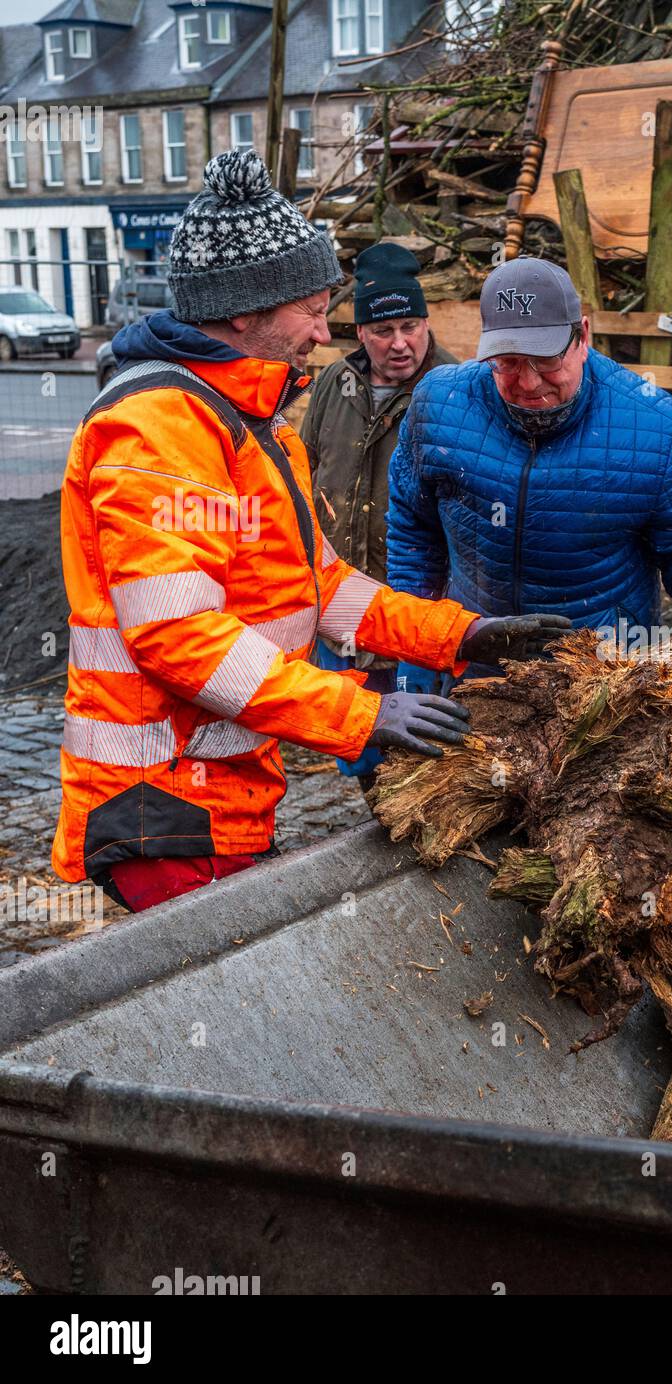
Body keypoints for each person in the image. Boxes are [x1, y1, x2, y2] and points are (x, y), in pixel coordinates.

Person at [52, 151, 566, 912]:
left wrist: (459, 635)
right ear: (244, 311)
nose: (327, 334)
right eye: (314, 310)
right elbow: (179, 636)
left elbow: (322, 588)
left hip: (218, 798)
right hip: (162, 805)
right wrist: (361, 713)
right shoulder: (160, 427)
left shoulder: (251, 421)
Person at [385, 256, 672, 692]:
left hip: (604, 679)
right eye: (509, 362)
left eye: (546, 360)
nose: (530, 382)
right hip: (477, 670)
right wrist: (418, 648)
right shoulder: (439, 406)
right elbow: (413, 529)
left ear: (583, 336)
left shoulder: (656, 427)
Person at [299, 241, 458, 783]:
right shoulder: (332, 387)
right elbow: (307, 474)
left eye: (411, 326)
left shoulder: (454, 393)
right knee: (361, 750)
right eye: (384, 331)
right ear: (360, 333)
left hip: (417, 615)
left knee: (427, 761)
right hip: (344, 617)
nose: (400, 344)